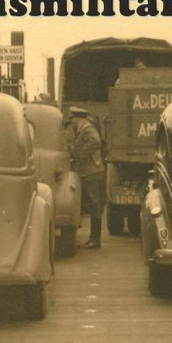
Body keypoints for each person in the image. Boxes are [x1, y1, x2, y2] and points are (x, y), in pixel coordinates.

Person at [66, 107, 105, 249]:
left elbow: (95, 141)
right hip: (86, 173)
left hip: (91, 173)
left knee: (94, 205)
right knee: (90, 204)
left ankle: (95, 240)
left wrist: (82, 156)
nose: (71, 123)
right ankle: (93, 239)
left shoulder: (87, 128)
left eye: (72, 119)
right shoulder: (82, 129)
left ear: (77, 118)